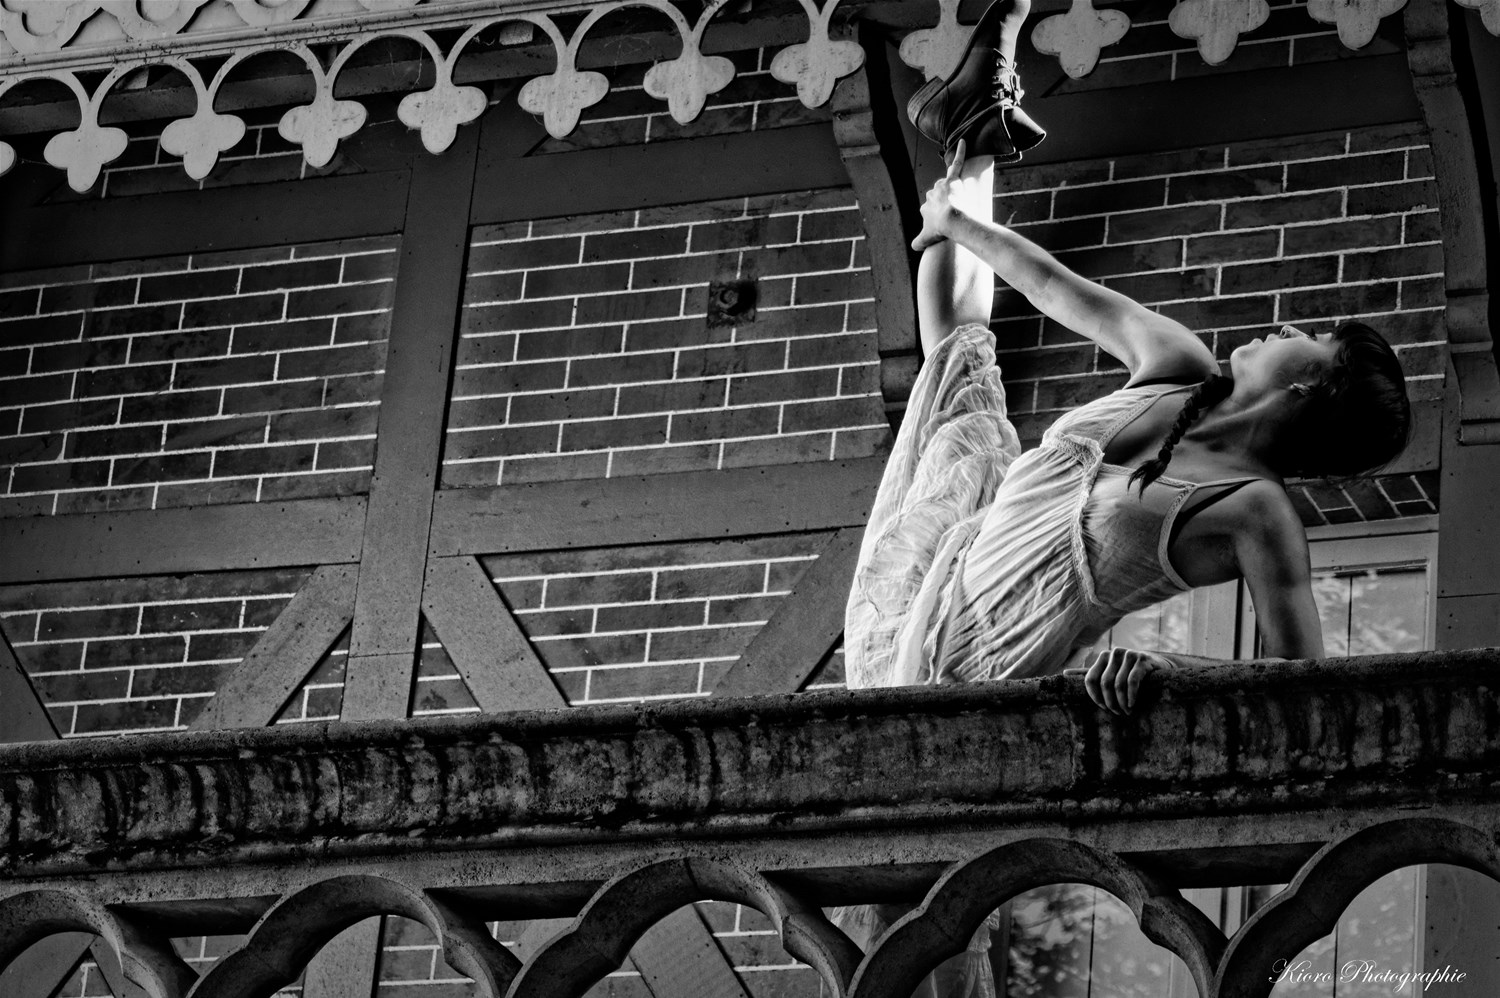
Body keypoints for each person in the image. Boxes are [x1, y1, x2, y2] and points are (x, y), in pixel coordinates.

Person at [834, 0, 1411, 989]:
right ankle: (974, 126)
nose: (1280, 327)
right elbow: (1055, 287)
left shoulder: (1256, 511)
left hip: (989, 670)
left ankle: (972, 125)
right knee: (964, 378)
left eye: (1303, 337)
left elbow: (1300, 687)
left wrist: (1170, 668)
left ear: (1309, 389)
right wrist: (959, 221)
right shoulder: (1178, 365)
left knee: (915, 932)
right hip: (937, 567)